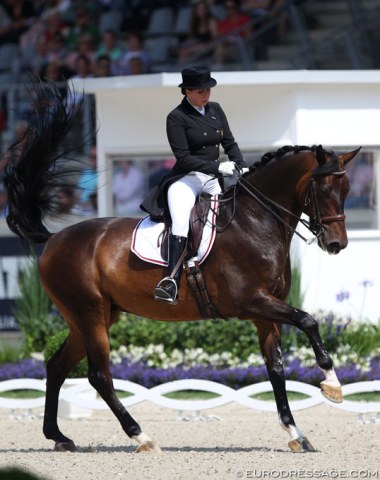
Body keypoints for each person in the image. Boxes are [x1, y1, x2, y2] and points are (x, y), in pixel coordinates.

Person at [140, 65, 249, 304]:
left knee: (232, 218)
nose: (206, 95)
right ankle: (171, 279)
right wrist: (219, 167)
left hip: (212, 179)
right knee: (181, 223)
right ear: (187, 91)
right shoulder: (176, 118)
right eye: (200, 91)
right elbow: (184, 158)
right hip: (186, 179)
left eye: (208, 90)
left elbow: (229, 142)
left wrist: (240, 164)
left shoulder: (216, 109)